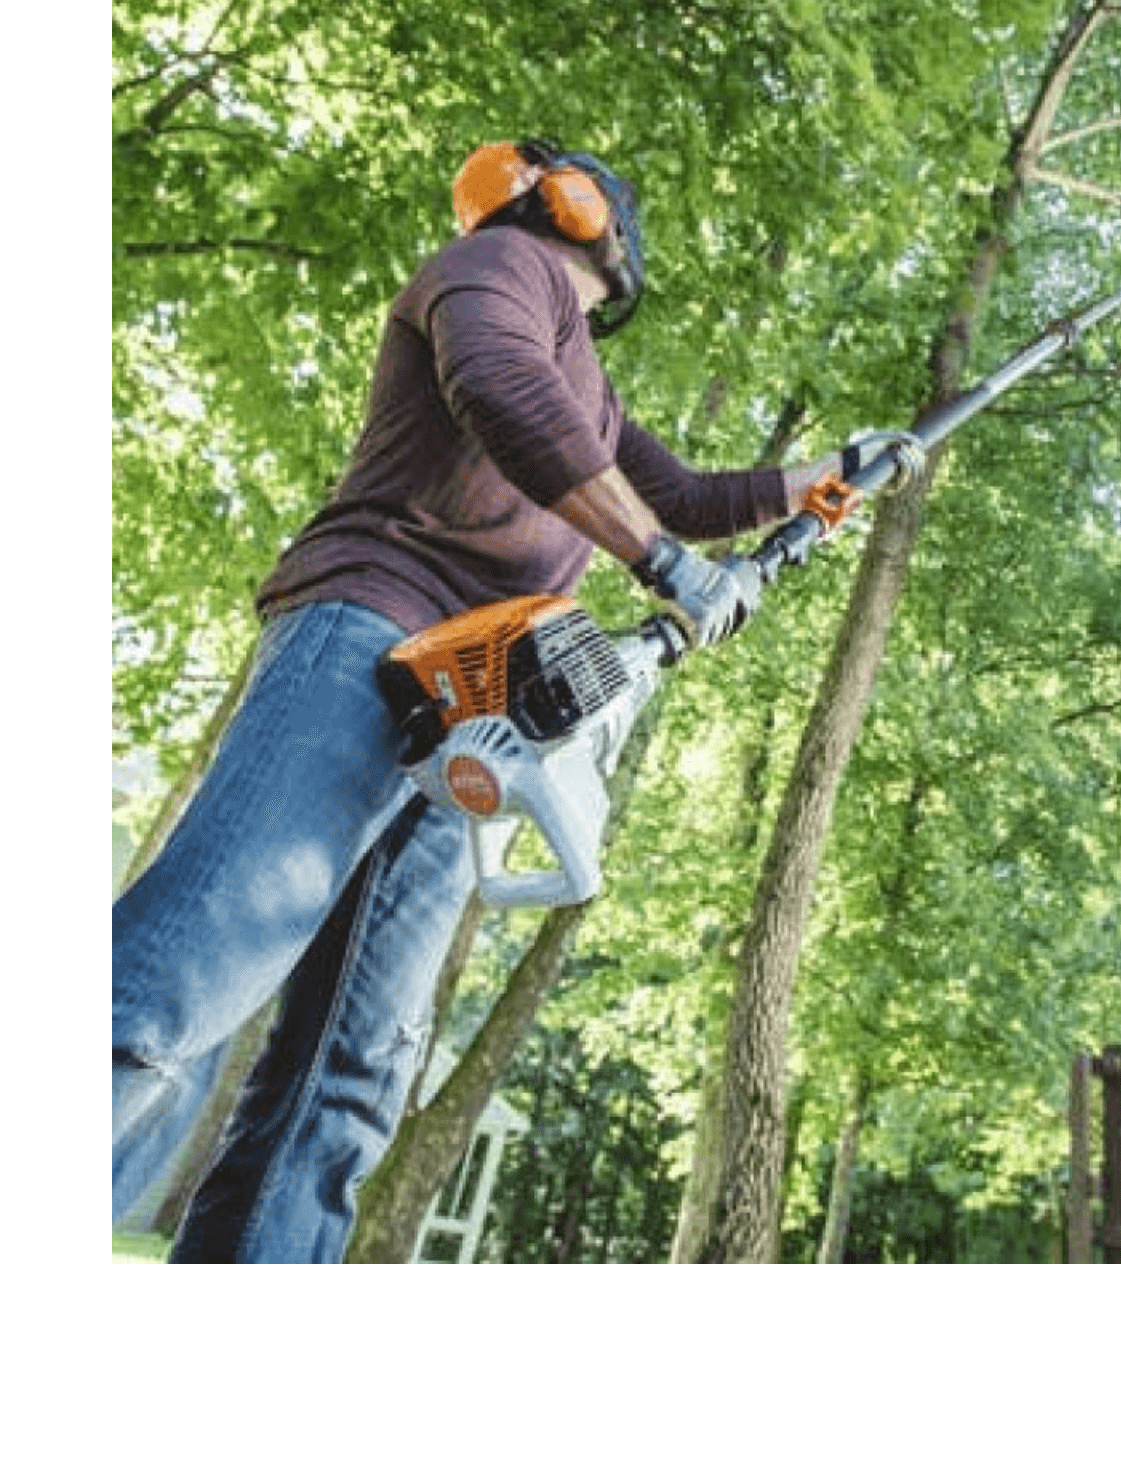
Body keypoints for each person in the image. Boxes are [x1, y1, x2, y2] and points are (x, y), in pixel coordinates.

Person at [112, 141, 918, 1262]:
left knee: (347, 1082)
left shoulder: (588, 372)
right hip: (372, 632)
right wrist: (662, 567)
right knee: (189, 971)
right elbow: (499, 390)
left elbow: (680, 494)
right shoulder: (498, 262)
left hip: (480, 708)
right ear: (581, 204)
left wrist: (822, 476)